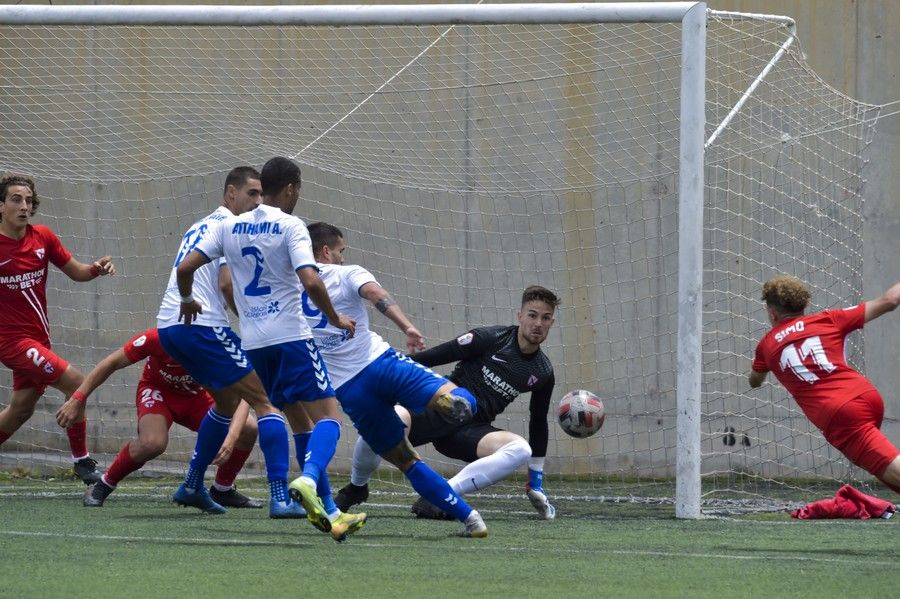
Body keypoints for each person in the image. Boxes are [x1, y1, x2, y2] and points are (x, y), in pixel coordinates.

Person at [177, 157, 364, 542]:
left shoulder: (230, 226)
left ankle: (331, 513)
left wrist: (186, 298)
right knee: (330, 418)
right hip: (292, 337)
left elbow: (186, 268)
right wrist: (334, 318)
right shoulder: (291, 225)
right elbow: (311, 281)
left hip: (255, 343)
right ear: (292, 189)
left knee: (299, 422)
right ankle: (309, 480)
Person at [303, 222, 486, 537]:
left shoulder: (294, 288)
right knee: (465, 402)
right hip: (382, 365)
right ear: (326, 251)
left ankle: (472, 520)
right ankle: (448, 402)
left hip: (350, 391)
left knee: (406, 461)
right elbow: (375, 294)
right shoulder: (346, 274)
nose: (343, 258)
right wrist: (407, 327)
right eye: (340, 252)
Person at [336, 285, 559, 520]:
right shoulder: (490, 338)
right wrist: (382, 378)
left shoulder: (543, 371)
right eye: (532, 315)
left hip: (469, 431)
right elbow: (430, 358)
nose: (538, 324)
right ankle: (356, 488)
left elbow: (538, 422)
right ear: (520, 316)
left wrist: (535, 482)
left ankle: (442, 495)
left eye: (545, 318)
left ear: (551, 323)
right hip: (439, 408)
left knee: (520, 449)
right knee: (381, 421)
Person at [155, 166, 303, 518]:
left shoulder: (199, 225)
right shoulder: (230, 227)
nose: (257, 201)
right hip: (201, 326)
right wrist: (251, 320)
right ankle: (280, 497)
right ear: (230, 194)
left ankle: (191, 485)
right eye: (251, 193)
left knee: (225, 403)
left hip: (169, 327)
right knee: (265, 399)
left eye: (260, 194)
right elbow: (224, 285)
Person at [55, 327, 263, 509]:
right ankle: (103, 485)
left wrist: (231, 437)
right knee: (152, 443)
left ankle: (222, 490)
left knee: (249, 428)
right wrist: (77, 399)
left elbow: (244, 394)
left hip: (197, 396)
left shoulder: (219, 342)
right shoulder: (157, 338)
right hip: (158, 392)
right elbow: (111, 363)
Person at [0, 174, 115, 484]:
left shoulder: (43, 237)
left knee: (21, 409)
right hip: (11, 342)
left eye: (28, 200)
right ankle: (82, 462)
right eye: (15, 199)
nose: (24, 206)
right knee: (77, 382)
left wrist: (96, 269)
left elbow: (76, 271)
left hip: (39, 340)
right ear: (1, 206)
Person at [748, 274, 900, 494]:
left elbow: (755, 380)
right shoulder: (830, 318)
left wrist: (760, 371)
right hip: (866, 394)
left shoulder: (766, 345)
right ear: (804, 304)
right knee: (884, 472)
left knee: (891, 469)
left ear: (772, 313)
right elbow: (889, 301)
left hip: (840, 413)